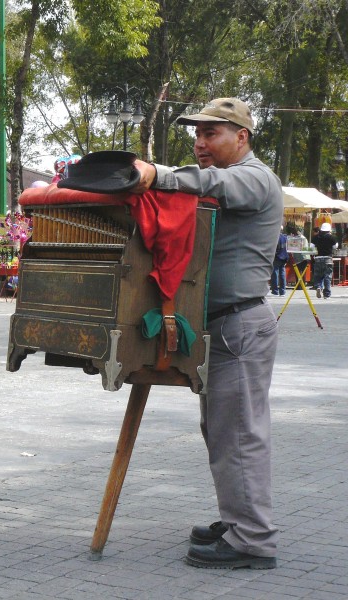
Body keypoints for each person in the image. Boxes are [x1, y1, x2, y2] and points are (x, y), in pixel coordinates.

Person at [131, 98, 283, 569]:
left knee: (237, 433)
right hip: (222, 327)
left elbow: (216, 183)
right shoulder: (226, 176)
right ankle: (238, 519)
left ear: (242, 136)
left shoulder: (254, 177)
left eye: (211, 133)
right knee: (221, 430)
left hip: (239, 325)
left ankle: (252, 539)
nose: (200, 143)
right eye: (196, 134)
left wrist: (157, 174)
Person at [311, 222, 337, 299]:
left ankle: (318, 287)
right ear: (329, 230)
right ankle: (326, 294)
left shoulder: (316, 237)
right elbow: (335, 246)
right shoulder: (331, 237)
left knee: (318, 275)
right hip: (328, 259)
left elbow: (311, 246)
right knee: (327, 276)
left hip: (318, 258)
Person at [270, 226, 288, 296]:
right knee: (282, 274)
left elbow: (273, 249)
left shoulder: (274, 238)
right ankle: (282, 291)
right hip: (284, 258)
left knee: (275, 274)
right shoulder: (285, 237)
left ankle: (275, 291)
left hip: (277, 257)